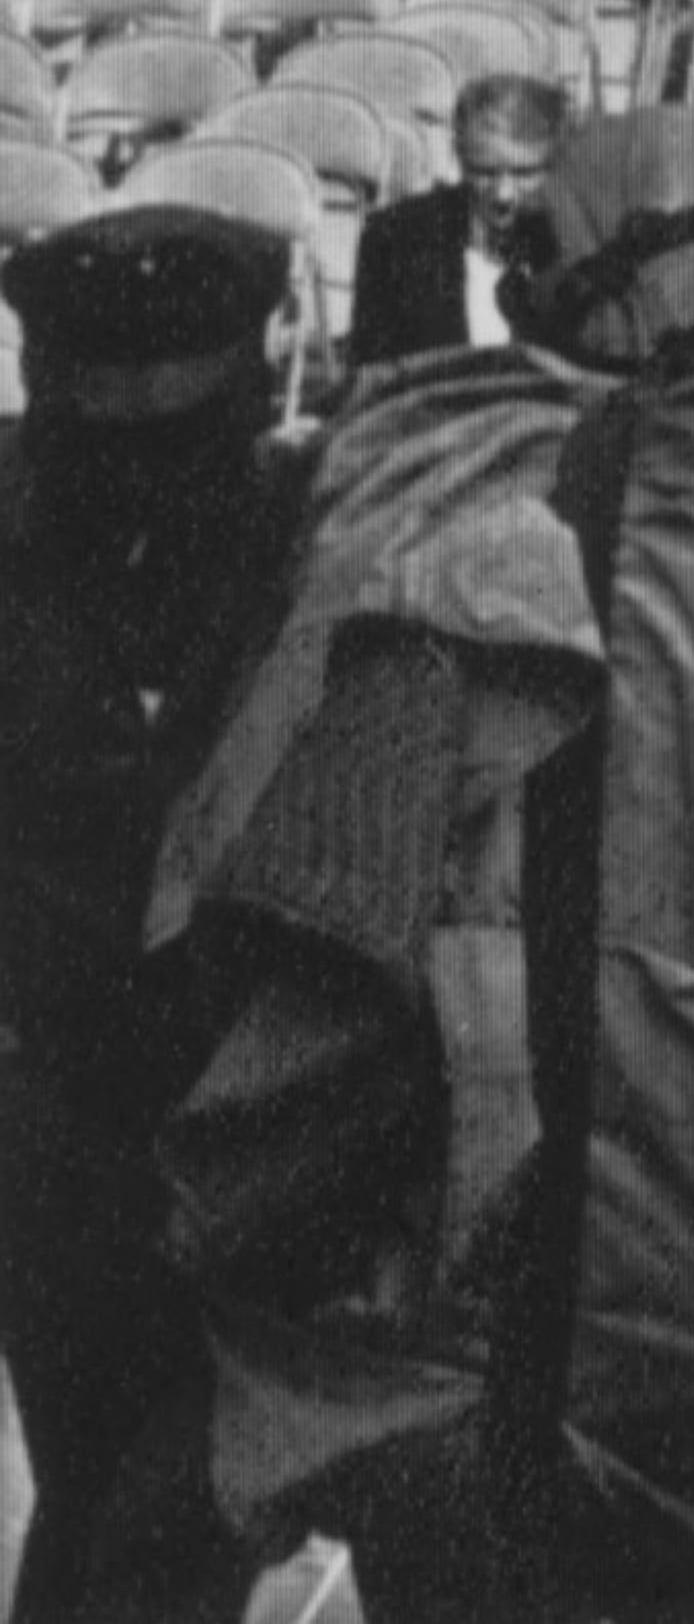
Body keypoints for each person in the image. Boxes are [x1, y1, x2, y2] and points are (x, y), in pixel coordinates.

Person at [0, 211, 310, 1624]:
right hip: (54, 1129)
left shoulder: (314, 535)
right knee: (94, 1492)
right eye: (99, 437)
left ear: (249, 394)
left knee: (168, 1527)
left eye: (174, 436)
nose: (133, 473)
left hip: (257, 1125)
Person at [347, 67, 569, 367]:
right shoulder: (396, 237)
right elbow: (372, 369)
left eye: (524, 173)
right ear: (459, 158)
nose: (503, 194)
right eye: (484, 172)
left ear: (556, 165)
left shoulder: (574, 244)